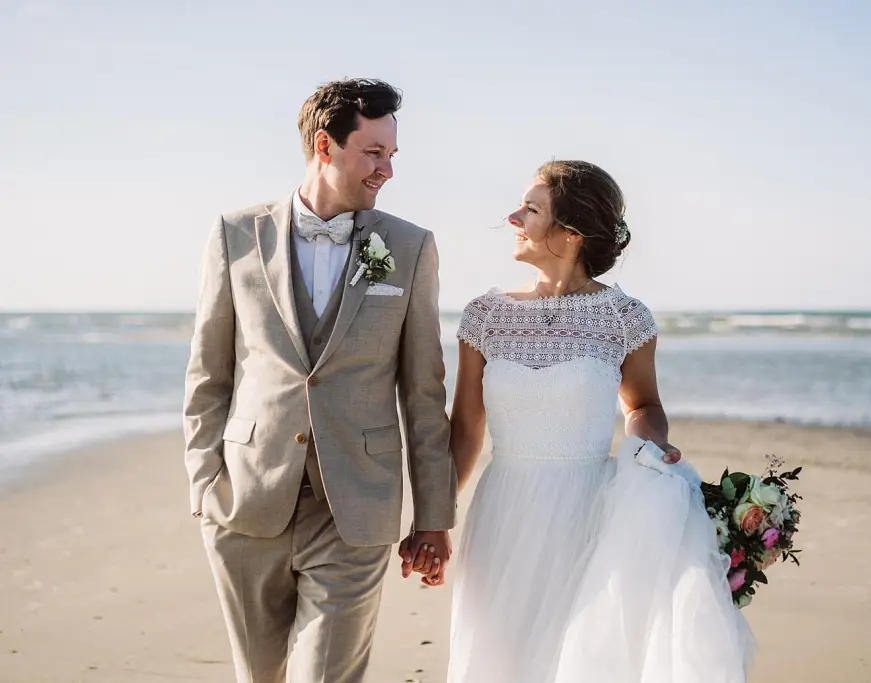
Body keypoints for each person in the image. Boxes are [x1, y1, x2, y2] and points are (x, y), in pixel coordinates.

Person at [416, 160, 753, 682]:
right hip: (503, 513)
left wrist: (648, 448)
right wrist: (433, 522)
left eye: (530, 209)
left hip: (589, 513)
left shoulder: (625, 317)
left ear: (570, 234)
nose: (513, 216)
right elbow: (464, 430)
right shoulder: (484, 315)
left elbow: (643, 406)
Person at [183, 78, 456, 683]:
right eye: (373, 153)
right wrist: (205, 485)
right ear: (324, 146)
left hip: (355, 508)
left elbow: (423, 391)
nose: (386, 170)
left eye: (391, 155)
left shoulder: (409, 247)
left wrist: (433, 515)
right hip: (245, 504)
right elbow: (209, 373)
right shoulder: (235, 234)